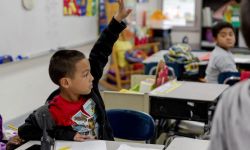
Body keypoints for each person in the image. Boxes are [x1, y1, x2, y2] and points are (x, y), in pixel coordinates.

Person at [16, 0, 132, 143]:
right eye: (85, 75)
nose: (92, 78)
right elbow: (25, 130)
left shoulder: (90, 89)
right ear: (66, 82)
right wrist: (65, 135)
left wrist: (117, 21)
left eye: (90, 73)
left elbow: (101, 50)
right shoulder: (51, 111)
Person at [208, 0, 250, 149]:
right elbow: (232, 79)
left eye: (231, 34)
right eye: (223, 35)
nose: (228, 38)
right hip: (217, 92)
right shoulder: (223, 57)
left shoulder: (223, 52)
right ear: (215, 39)